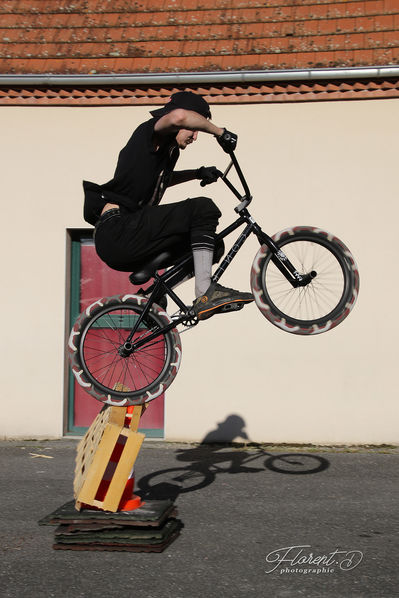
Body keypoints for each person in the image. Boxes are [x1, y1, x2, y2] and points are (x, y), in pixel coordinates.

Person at [83, 91, 253, 320]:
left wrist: (197, 173)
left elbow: (162, 180)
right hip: (118, 230)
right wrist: (218, 132)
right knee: (203, 208)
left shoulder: (166, 153)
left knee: (214, 245)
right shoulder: (150, 132)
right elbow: (179, 117)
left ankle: (153, 295)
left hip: (130, 234)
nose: (195, 136)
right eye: (194, 129)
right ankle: (205, 293)